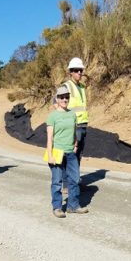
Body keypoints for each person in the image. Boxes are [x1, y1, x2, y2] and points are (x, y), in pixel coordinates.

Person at [47, 84, 88, 218]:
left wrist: (76, 144)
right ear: (57, 99)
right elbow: (49, 138)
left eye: (67, 97)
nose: (65, 100)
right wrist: (50, 155)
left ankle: (73, 206)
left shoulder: (72, 114)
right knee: (57, 181)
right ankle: (57, 207)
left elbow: (74, 131)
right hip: (57, 152)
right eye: (62, 97)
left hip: (70, 152)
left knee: (75, 179)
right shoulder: (52, 116)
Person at [64, 57, 89, 186]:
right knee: (70, 156)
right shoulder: (66, 86)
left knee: (78, 155)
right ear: (71, 72)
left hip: (83, 125)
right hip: (73, 126)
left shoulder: (82, 87)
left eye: (81, 70)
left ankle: (74, 182)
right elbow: (57, 104)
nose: (80, 72)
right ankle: (66, 184)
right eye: (77, 70)